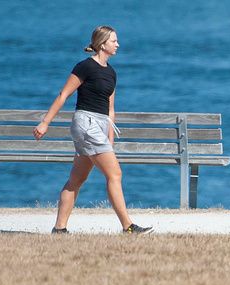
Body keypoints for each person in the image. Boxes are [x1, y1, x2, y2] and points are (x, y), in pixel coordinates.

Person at [33, 26, 152, 234]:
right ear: (102, 43)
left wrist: (110, 140)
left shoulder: (112, 73)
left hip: (100, 125)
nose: (118, 44)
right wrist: (45, 122)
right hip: (85, 123)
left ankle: (59, 229)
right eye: (114, 41)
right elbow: (63, 95)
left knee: (76, 179)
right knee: (115, 173)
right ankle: (128, 227)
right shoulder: (84, 67)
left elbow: (110, 110)